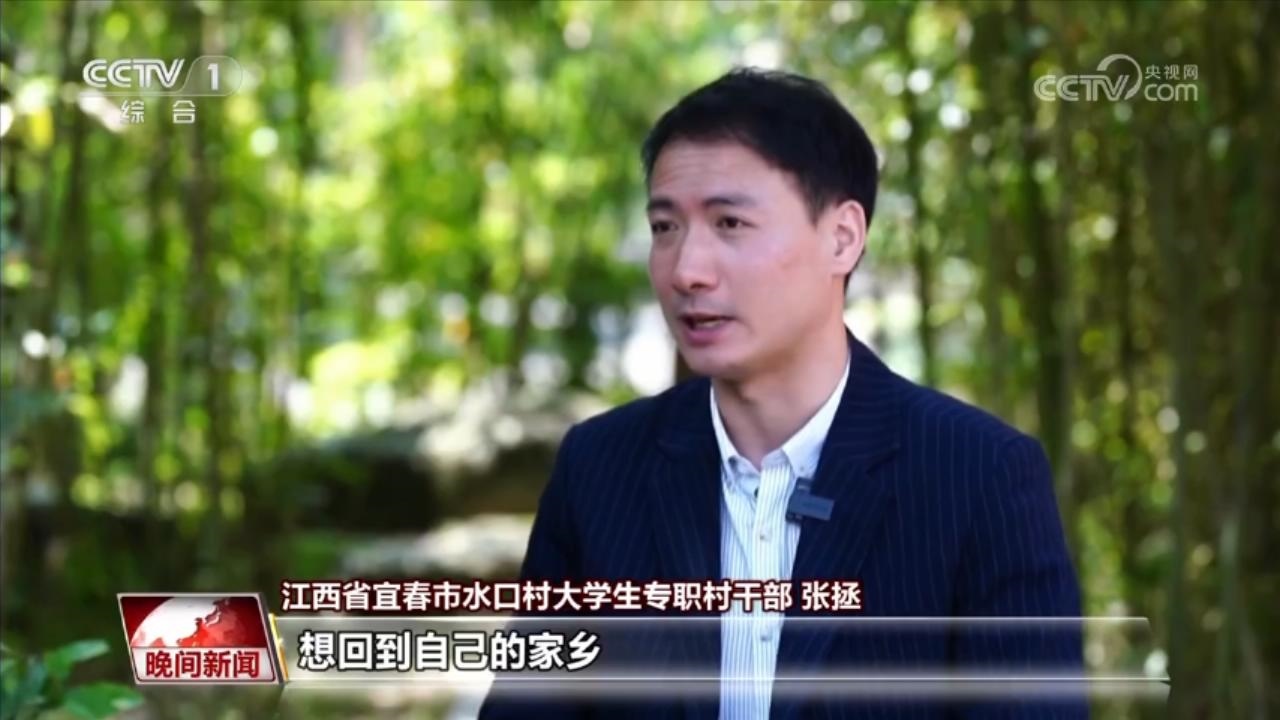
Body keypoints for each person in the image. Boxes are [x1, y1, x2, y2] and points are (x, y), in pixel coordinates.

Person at [479, 68, 1085, 720]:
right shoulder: (599, 470)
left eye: (730, 223)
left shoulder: (979, 476)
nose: (687, 270)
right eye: (664, 227)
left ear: (842, 238)